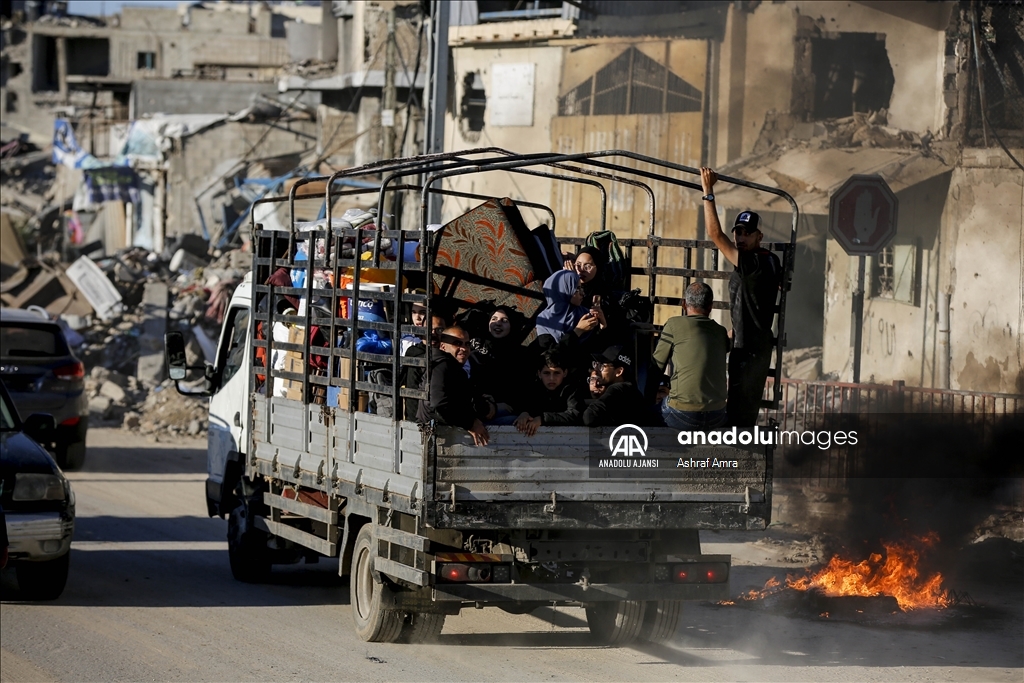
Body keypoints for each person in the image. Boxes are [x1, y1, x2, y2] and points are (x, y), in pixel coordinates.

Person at [700, 167, 782, 427]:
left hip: (749, 353)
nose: (741, 237)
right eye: (738, 232)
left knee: (738, 419)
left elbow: (715, 235)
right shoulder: (769, 260)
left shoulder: (754, 262)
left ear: (760, 236)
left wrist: (708, 192)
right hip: (750, 346)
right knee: (740, 415)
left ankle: (735, 465)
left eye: (748, 233)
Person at [652, 282, 729, 430]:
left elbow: (656, 366)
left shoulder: (674, 325)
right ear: (710, 306)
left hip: (682, 414)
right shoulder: (720, 331)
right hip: (718, 415)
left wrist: (648, 399)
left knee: (643, 415)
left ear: (684, 304)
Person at [416, 326, 492, 446]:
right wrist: (470, 423)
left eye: (467, 344)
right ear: (443, 346)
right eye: (457, 343)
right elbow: (438, 404)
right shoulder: (442, 365)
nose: (464, 348)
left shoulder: (452, 366)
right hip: (439, 435)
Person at [469, 306, 527, 421]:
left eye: (504, 320)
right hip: (478, 409)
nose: (498, 323)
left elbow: (523, 388)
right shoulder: (475, 349)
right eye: (494, 319)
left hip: (507, 411)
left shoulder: (521, 355)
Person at [513, 349, 587, 436]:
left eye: (556, 373)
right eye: (546, 373)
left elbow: (574, 415)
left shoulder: (571, 389)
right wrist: (524, 413)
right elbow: (521, 405)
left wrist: (542, 419)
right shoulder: (533, 388)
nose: (551, 378)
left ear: (565, 373)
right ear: (539, 373)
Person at [582, 345, 649, 427]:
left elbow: (589, 417)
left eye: (602, 366)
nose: (597, 370)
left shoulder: (618, 389)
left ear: (619, 372)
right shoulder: (630, 391)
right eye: (597, 365)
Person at [400, 311, 448, 420]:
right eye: (428, 329)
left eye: (439, 330)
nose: (433, 334)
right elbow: (405, 386)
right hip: (417, 421)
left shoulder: (450, 355)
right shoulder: (414, 353)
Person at [535, 270, 592, 342]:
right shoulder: (544, 320)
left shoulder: (584, 313)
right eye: (577, 289)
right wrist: (578, 331)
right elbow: (552, 351)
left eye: (581, 288)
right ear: (563, 291)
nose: (582, 293)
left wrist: (603, 324)